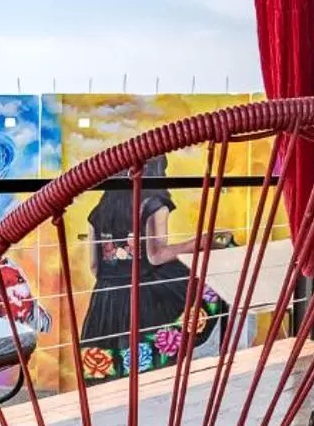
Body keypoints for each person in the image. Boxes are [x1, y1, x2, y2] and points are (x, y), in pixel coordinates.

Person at [79, 156, 221, 377]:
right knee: (156, 365)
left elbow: (95, 267)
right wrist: (197, 243)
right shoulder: (153, 203)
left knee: (111, 367)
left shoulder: (98, 213)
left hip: (107, 299)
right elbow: (155, 256)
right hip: (146, 294)